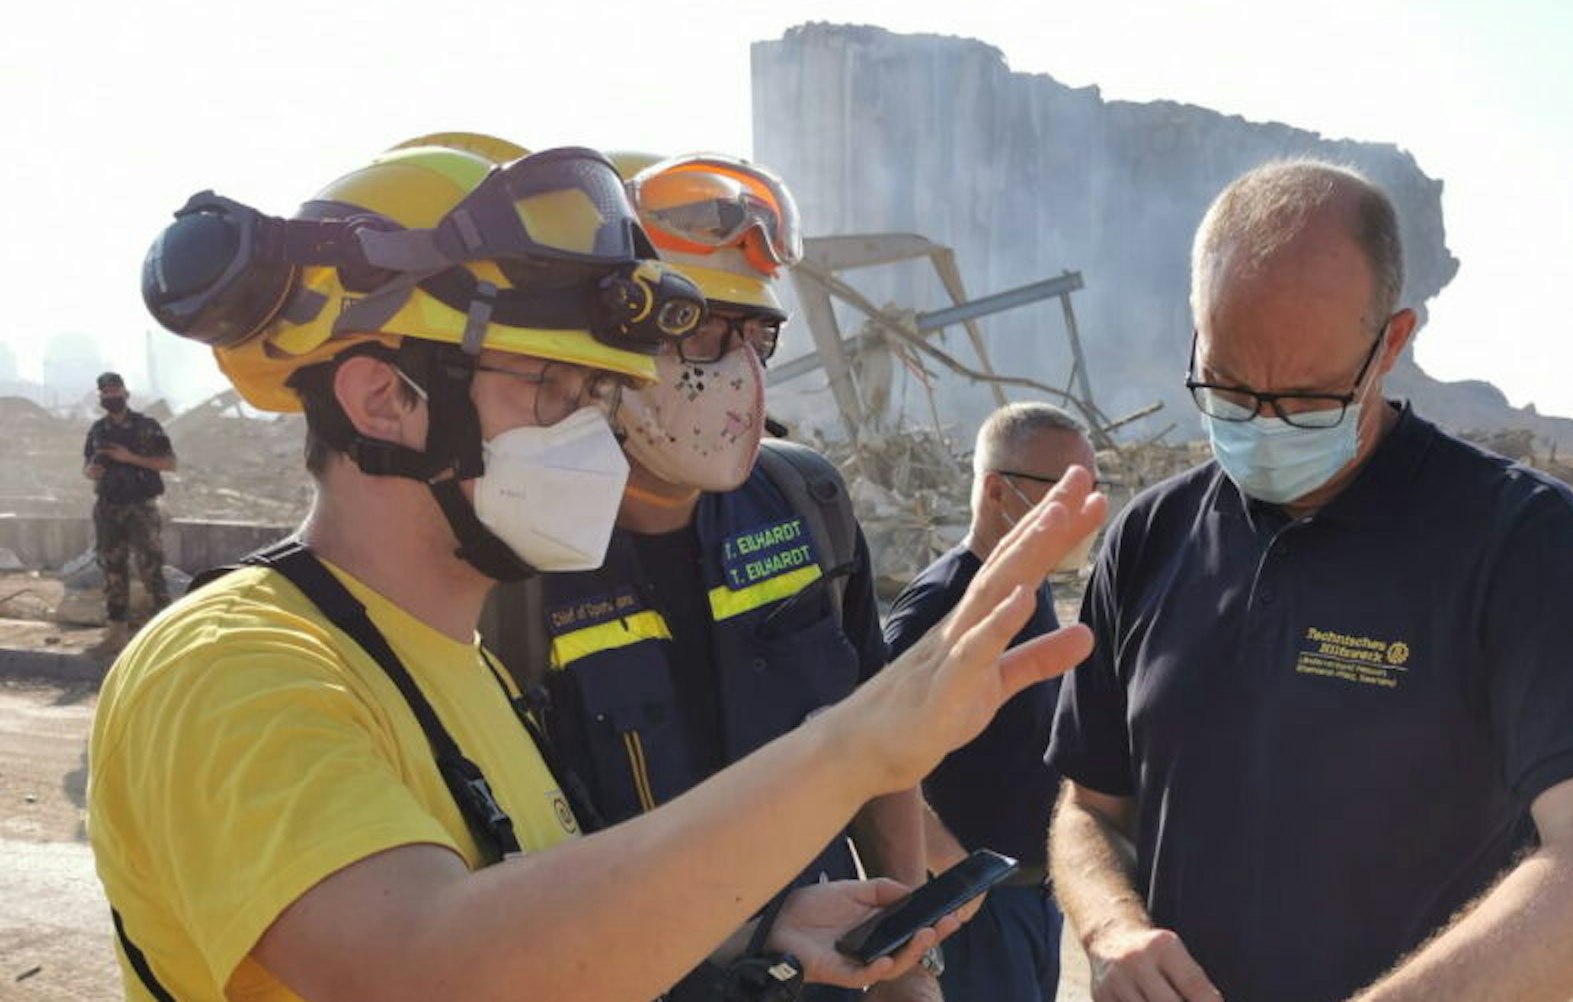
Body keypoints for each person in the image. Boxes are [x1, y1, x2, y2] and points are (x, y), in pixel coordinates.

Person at [91, 139, 1106, 1002]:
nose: (597, 434)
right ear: (383, 400)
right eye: (559, 387)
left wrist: (754, 931)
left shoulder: (454, 666)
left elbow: (535, 928)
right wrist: (850, 749)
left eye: (604, 389)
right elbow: (420, 968)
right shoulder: (233, 665)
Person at [1044, 159, 1573, 1002]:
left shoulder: (1518, 540)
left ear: (1392, 344)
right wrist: (1111, 927)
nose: (1264, 422)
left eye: (1308, 398)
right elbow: (1089, 809)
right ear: (1196, 332)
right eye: (1229, 387)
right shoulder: (1149, 539)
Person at [506, 151, 933, 1002]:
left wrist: (910, 969)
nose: (740, 371)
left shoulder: (804, 503)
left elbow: (877, 747)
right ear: (598, 345)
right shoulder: (514, 567)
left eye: (755, 335)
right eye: (700, 329)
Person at [883, 401, 1099, 1002]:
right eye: (1063, 491)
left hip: (1032, 895)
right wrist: (957, 875)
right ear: (998, 491)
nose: (1082, 512)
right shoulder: (942, 604)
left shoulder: (1031, 589)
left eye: (1090, 492)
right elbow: (875, 763)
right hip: (975, 909)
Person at [83, 371, 176, 630]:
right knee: (112, 568)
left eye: (115, 391)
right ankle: (117, 630)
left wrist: (129, 458)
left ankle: (165, 627)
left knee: (151, 566)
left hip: (140, 506)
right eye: (106, 392)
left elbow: (169, 463)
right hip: (108, 506)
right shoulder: (98, 430)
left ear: (125, 393)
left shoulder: (147, 426)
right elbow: (86, 466)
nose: (111, 396)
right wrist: (91, 471)